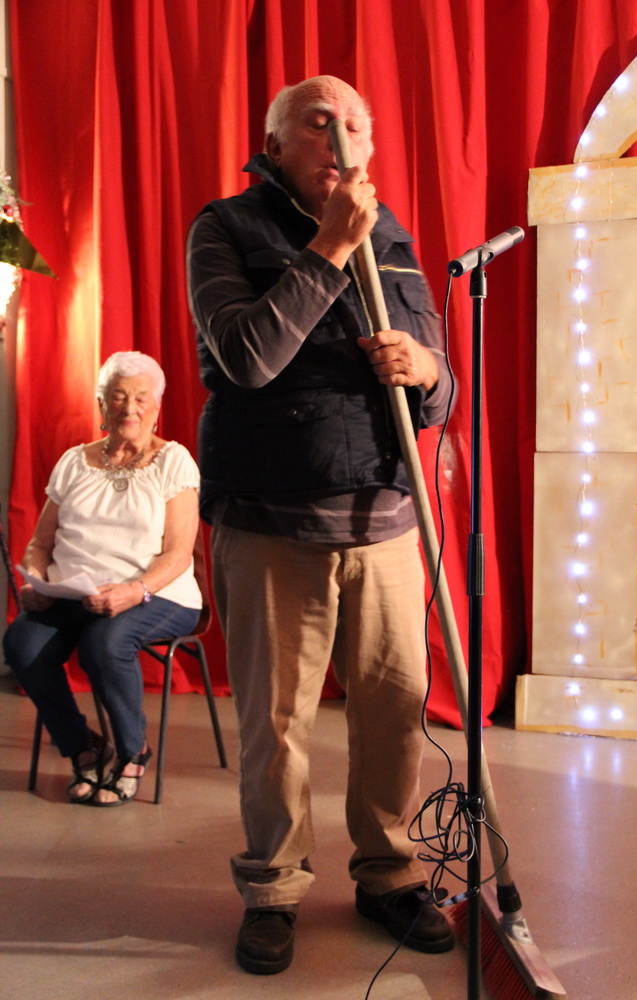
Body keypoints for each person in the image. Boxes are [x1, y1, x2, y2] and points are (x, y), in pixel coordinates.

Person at [187, 75, 453, 975]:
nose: (340, 138)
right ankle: (272, 887)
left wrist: (426, 370)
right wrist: (330, 247)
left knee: (394, 711)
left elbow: (441, 389)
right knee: (277, 724)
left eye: (355, 126)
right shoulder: (225, 227)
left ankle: (388, 872)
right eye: (318, 122)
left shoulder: (395, 236)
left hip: (385, 520)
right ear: (274, 145)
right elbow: (245, 358)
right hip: (272, 521)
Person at [3, 351, 202, 807]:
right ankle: (84, 748)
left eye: (140, 398)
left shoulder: (174, 461)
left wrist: (134, 591)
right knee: (22, 645)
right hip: (75, 593)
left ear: (156, 406)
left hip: (158, 593)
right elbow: (40, 544)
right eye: (117, 397)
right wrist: (36, 581)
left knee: (105, 643)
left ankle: (133, 751)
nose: (129, 407)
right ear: (101, 405)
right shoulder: (74, 461)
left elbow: (178, 553)